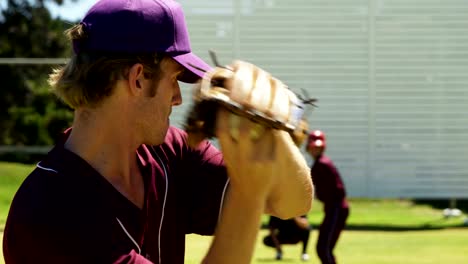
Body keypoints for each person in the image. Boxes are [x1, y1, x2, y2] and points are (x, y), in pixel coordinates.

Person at [2, 0, 313, 263]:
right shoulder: (48, 213)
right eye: (174, 78)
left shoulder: (170, 151)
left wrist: (270, 129)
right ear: (138, 79)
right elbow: (256, 195)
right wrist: (248, 193)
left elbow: (292, 203)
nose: (178, 98)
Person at [306, 130, 349, 264]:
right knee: (325, 248)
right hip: (332, 208)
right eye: (313, 147)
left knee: (323, 248)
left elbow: (339, 190)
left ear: (323, 147)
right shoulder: (319, 164)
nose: (315, 150)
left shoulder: (322, 164)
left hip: (336, 208)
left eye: (318, 147)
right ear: (308, 148)